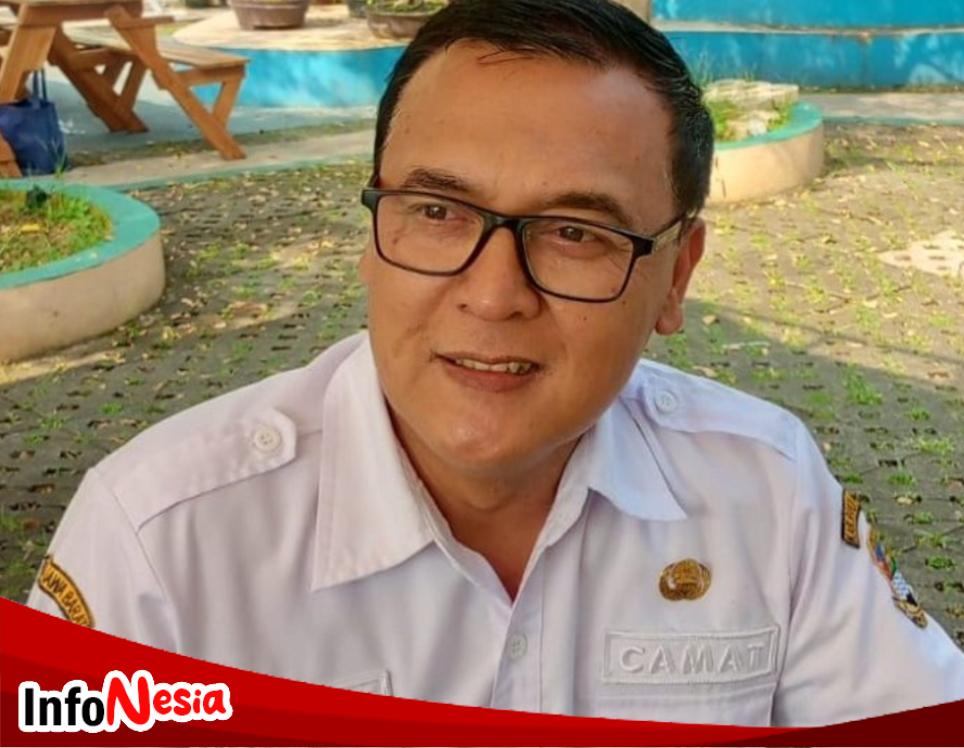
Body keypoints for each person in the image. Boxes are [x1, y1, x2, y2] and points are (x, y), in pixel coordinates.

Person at [27, 0, 963, 726]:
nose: (494, 294)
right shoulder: (161, 543)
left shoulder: (767, 494)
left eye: (576, 232)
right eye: (438, 213)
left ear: (676, 276)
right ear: (370, 236)